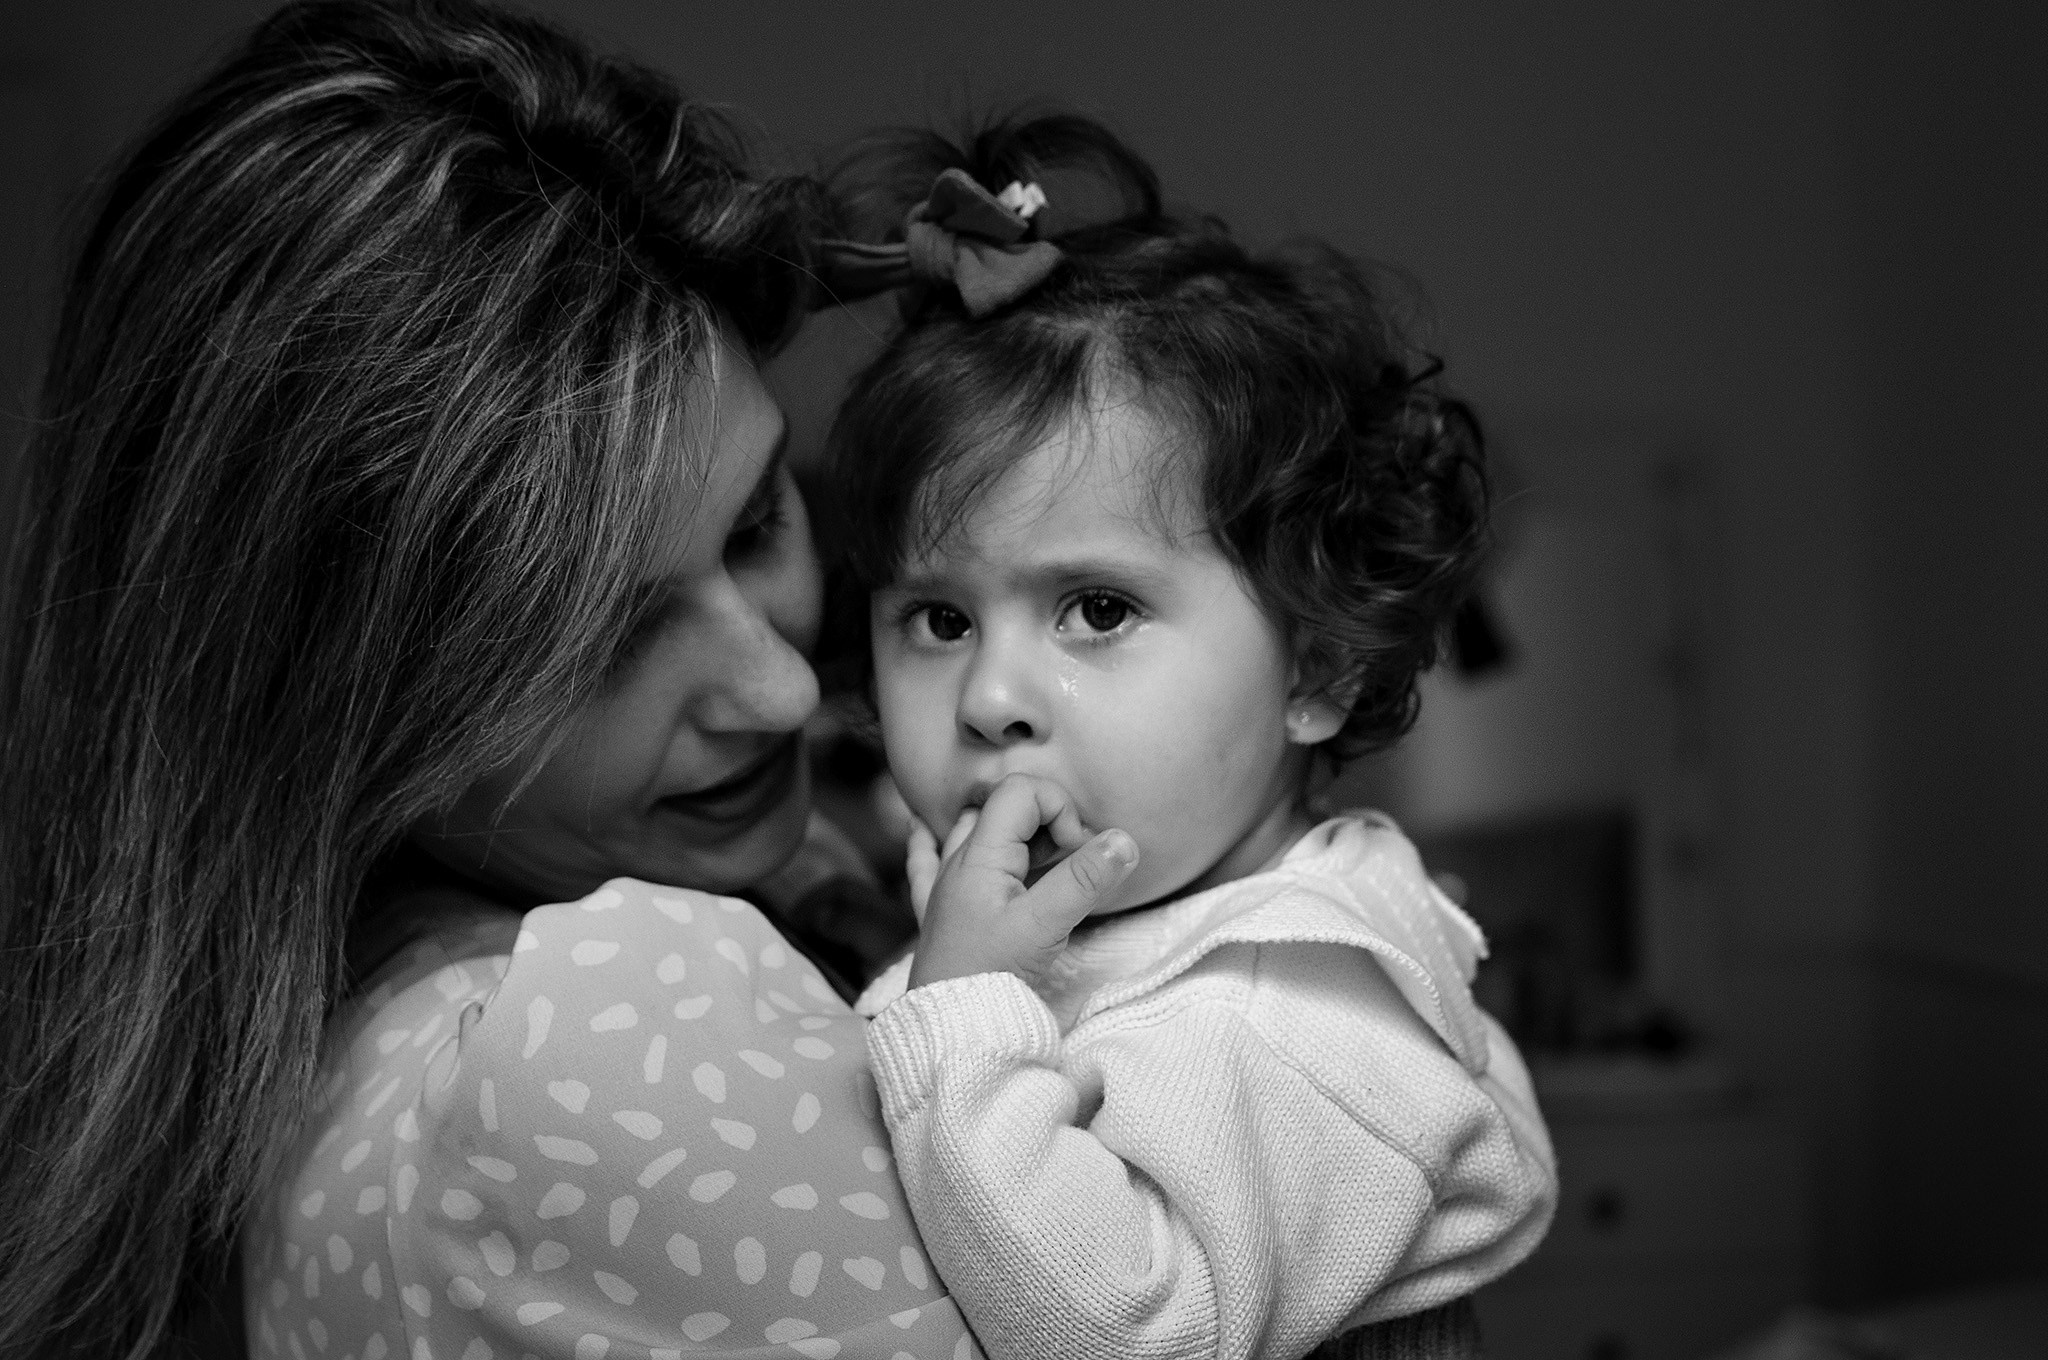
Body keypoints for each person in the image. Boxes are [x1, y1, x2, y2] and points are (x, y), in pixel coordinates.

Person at [822, 116, 1559, 1360]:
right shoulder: (1127, 885)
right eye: (937, 617)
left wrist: (960, 1010)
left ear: (1316, 665)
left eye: (1096, 609)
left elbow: (1128, 1331)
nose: (989, 696)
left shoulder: (1294, 1006)